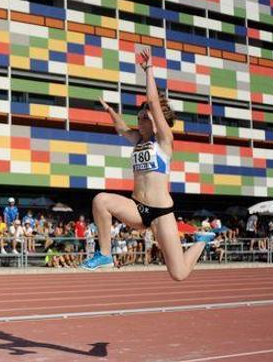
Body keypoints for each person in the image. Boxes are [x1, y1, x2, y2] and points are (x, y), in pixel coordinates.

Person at [81, 48, 208, 281]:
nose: (139, 122)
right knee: (100, 200)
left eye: (144, 119)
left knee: (178, 274)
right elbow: (121, 129)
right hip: (138, 208)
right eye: (138, 118)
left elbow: (152, 101)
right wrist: (110, 111)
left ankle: (200, 243)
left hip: (162, 213)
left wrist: (149, 69)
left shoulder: (164, 141)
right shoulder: (139, 141)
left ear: (157, 122)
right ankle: (105, 254)